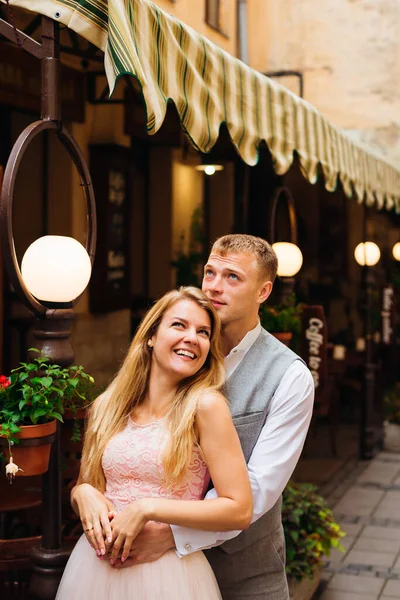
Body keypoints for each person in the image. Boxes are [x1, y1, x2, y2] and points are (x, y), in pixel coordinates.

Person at [114, 234, 315, 600]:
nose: (214, 287)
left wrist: (172, 534)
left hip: (244, 577)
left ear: (264, 291)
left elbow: (258, 488)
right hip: (151, 575)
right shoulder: (176, 351)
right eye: (210, 272)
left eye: (232, 277)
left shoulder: (289, 376)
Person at [56, 287, 253, 600]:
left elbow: (239, 508)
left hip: (168, 574)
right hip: (93, 571)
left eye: (203, 332)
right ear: (150, 336)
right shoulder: (107, 407)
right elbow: (87, 483)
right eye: (179, 325)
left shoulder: (206, 407)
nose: (192, 337)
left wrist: (147, 509)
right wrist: (82, 494)